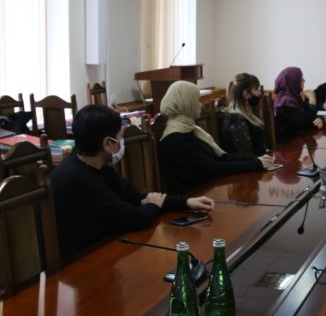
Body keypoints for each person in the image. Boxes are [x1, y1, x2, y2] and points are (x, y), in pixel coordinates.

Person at [50, 105, 215, 259]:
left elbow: (136, 198)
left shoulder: (96, 165)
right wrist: (153, 205)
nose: (121, 143)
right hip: (82, 258)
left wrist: (186, 202)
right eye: (120, 137)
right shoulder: (79, 178)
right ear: (107, 143)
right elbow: (134, 218)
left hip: (103, 243)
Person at [158, 81, 274, 194]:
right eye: (197, 101)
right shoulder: (175, 139)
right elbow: (212, 168)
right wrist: (255, 164)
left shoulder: (190, 129)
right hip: (197, 195)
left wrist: (256, 158)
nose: (201, 105)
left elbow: (221, 157)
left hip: (211, 188)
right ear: (186, 103)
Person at [273, 67, 324, 144]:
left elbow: (308, 115)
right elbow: (304, 122)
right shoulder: (285, 101)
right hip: (286, 145)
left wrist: (319, 119)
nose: (304, 80)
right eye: (301, 78)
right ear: (293, 81)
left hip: (296, 140)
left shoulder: (294, 97)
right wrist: (312, 100)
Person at [220, 73, 267, 156]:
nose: (259, 93)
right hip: (254, 163)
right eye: (256, 89)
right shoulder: (236, 120)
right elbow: (246, 155)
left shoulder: (244, 114)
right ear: (246, 94)